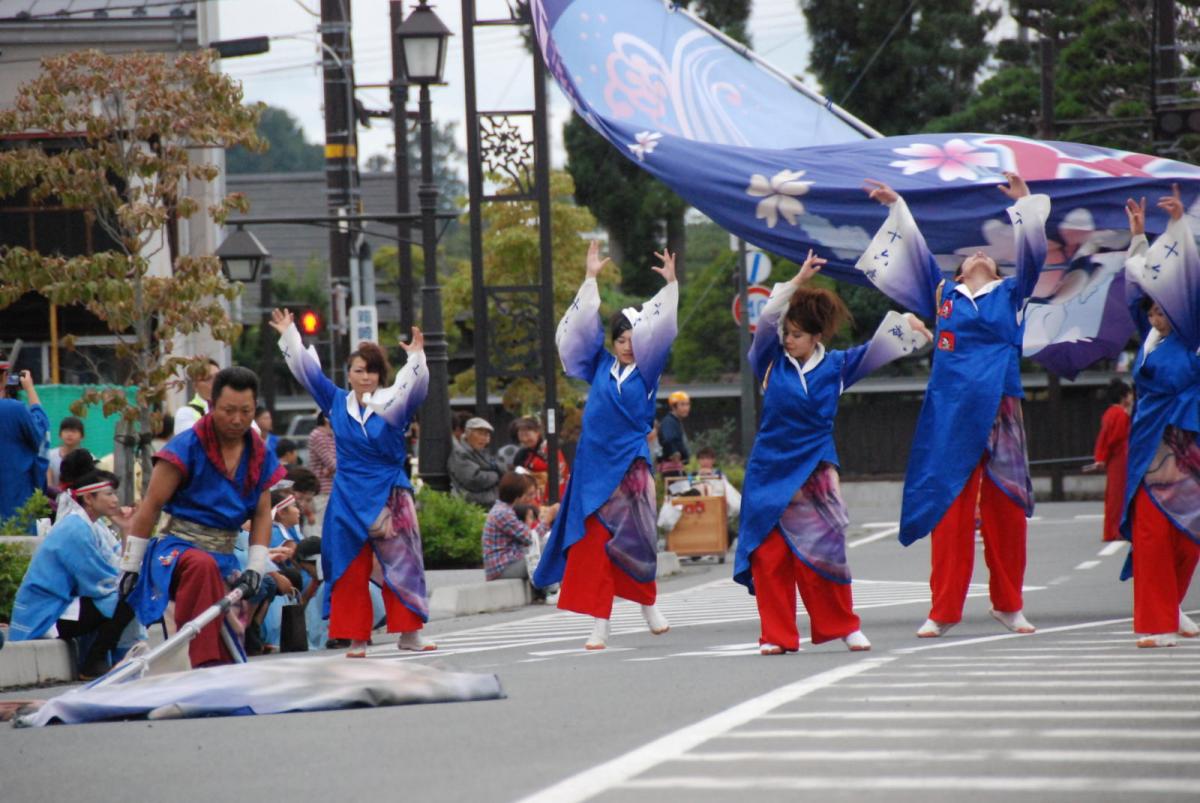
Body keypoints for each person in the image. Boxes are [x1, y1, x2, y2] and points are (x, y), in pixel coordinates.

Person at [863, 173, 1047, 638]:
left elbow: (1033, 257)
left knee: (1006, 510)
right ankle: (943, 609)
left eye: (987, 255)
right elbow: (917, 254)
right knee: (951, 509)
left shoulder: (1011, 294)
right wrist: (897, 206)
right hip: (950, 408)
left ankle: (1009, 603)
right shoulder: (944, 295)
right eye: (970, 257)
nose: (980, 255)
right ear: (959, 273)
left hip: (1000, 405)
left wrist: (1024, 204)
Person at [736, 251, 932, 655]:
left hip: (815, 467)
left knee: (826, 548)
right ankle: (776, 635)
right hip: (770, 468)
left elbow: (881, 345)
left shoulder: (838, 366)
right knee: (770, 555)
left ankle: (843, 626)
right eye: (786, 333)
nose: (788, 339)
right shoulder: (770, 361)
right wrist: (796, 281)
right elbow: (768, 320)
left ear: (816, 337)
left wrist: (909, 325)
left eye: (796, 334)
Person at [533, 241, 678, 650]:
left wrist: (670, 287)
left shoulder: (648, 372)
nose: (628, 345)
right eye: (621, 338)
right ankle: (600, 623)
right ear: (612, 342)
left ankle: (648, 604)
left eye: (635, 339)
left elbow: (663, 334)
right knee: (595, 545)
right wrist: (590, 279)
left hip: (631, 464)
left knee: (639, 536)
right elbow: (579, 334)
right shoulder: (598, 366)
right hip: (594, 465)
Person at [272, 309, 433, 658]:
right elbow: (308, 372)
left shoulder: (394, 403)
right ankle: (356, 637)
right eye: (358, 370)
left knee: (401, 563)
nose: (365, 377)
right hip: (346, 494)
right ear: (348, 373)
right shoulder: (334, 402)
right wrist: (290, 334)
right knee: (347, 565)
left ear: (381, 374)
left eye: (371, 370)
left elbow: (416, 387)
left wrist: (417, 357)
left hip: (388, 491)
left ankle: (409, 633)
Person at [119, 366, 286, 668]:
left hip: (225, 554)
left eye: (245, 411)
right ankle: (204, 665)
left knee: (214, 570)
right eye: (228, 410)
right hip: (177, 550)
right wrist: (130, 565)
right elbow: (151, 506)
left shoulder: (258, 451)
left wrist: (256, 566)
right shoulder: (185, 447)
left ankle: (219, 667)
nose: (237, 419)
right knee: (202, 565)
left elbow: (262, 513)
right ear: (211, 406)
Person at [1118, 188, 1200, 648]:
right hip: (1152, 440)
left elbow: (1180, 279)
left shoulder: (1193, 338)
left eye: (1162, 307)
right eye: (1150, 309)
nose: (1155, 313)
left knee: (1189, 533)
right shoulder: (1149, 343)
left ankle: (1172, 606)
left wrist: (1176, 229)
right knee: (1151, 528)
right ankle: (1156, 622)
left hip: (1190, 433)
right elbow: (1143, 281)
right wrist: (1138, 237)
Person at [9, 450, 138, 679]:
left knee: (130, 592)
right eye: (108, 494)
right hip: (48, 612)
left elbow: (121, 566)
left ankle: (103, 660)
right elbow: (101, 580)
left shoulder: (91, 525)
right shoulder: (76, 529)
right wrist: (128, 583)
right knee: (127, 598)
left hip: (64, 606)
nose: (116, 500)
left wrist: (127, 530)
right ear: (89, 498)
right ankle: (93, 663)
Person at [483, 472, 557, 585]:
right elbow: (530, 539)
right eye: (527, 494)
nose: (530, 498)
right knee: (549, 549)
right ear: (517, 493)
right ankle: (552, 591)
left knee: (547, 547)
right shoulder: (503, 513)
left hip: (505, 564)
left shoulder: (503, 510)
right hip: (503, 568)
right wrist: (548, 519)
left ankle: (550, 589)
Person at [1083, 379, 1134, 542]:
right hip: (1121, 457)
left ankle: (1112, 529)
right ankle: (1116, 530)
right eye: (1129, 394)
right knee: (1118, 495)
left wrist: (1101, 457)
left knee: (1114, 495)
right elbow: (1115, 439)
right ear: (1123, 396)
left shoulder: (1110, 413)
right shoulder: (1120, 414)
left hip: (1115, 458)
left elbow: (1103, 439)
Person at [0, 360, 48, 524]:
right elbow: (40, 432)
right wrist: (30, 389)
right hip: (14, 494)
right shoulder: (14, 409)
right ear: (6, 377)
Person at [512, 416, 570, 503]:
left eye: (527, 435)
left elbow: (560, 474)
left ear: (537, 432)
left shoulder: (549, 449)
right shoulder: (521, 454)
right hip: (530, 496)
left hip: (549, 495)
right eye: (521, 435)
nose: (525, 439)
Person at [449, 417, 503, 507]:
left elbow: (501, 468)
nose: (485, 438)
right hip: (473, 504)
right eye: (480, 434)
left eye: (487, 435)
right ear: (467, 434)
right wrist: (496, 475)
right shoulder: (460, 453)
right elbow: (473, 480)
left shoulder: (482, 452)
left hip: (489, 502)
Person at [172, 358, 220, 436]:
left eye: (219, 377)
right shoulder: (186, 412)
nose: (216, 382)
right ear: (195, 385)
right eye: (208, 378)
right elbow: (192, 441)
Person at [690, 447, 741, 519]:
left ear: (713, 460)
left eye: (708, 458)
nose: (705, 461)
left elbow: (724, 486)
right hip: (698, 505)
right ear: (698, 460)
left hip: (716, 504)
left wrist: (711, 475)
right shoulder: (694, 474)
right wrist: (700, 475)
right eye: (702, 458)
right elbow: (689, 483)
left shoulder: (718, 473)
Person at [307, 411, 336, 537]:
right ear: (326, 419)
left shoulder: (330, 436)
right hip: (322, 492)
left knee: (329, 531)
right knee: (320, 531)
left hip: (330, 490)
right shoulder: (318, 435)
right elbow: (333, 463)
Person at [46, 416, 85, 496]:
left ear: (82, 436)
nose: (69, 434)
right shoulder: (49, 456)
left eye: (74, 431)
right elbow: (48, 485)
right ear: (60, 434)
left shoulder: (88, 458)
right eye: (66, 431)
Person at [658, 391, 691, 476]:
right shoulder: (669, 421)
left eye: (687, 404)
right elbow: (668, 439)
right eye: (682, 404)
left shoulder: (675, 421)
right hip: (672, 467)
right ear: (673, 406)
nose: (686, 408)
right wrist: (674, 452)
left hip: (677, 466)